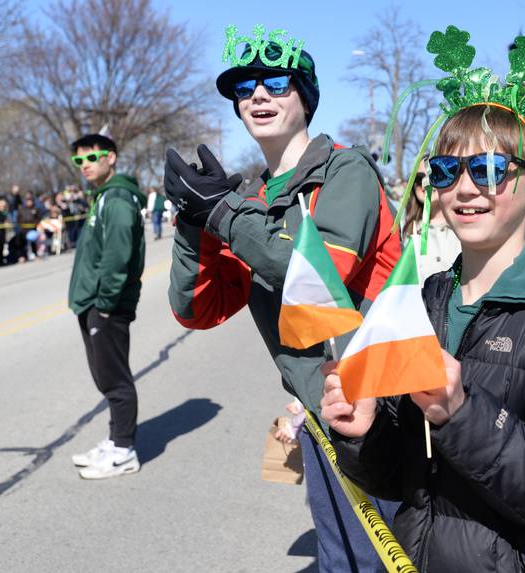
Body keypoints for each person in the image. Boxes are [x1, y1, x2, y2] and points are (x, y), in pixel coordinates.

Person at [322, 28, 525, 572]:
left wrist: (462, 414)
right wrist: (361, 430)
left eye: (489, 170)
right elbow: (401, 478)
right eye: (446, 170)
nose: (464, 188)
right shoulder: (428, 300)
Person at [164, 25, 401, 571]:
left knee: (381, 558)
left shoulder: (346, 171)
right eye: (244, 89)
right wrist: (193, 225)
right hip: (320, 408)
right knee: (340, 556)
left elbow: (320, 279)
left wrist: (222, 215)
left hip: (378, 404)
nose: (259, 96)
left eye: (276, 82)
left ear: (305, 95)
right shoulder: (250, 199)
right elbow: (197, 309)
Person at [67, 133, 146, 480]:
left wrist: (105, 304)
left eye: (91, 158)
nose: (85, 165)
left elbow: (117, 259)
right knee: (106, 377)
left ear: (110, 158)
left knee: (115, 380)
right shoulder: (101, 198)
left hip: (106, 307)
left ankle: (124, 451)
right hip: (94, 303)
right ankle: (116, 441)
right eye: (78, 161)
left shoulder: (115, 200)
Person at [402, 165, 460, 281]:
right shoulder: (407, 232)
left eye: (433, 175)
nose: (425, 183)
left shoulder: (466, 227)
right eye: (419, 179)